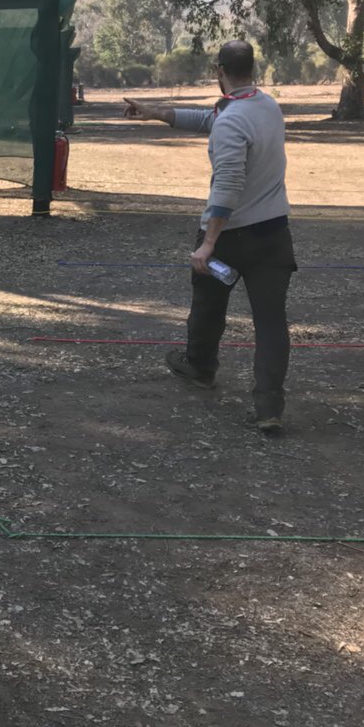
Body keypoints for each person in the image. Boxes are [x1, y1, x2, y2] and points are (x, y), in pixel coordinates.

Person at [122, 39, 296, 435]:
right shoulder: (266, 107)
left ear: (219, 71)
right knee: (271, 322)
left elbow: (228, 186)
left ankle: (200, 368)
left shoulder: (232, 120)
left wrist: (209, 243)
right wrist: (156, 113)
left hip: (230, 237)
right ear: (252, 69)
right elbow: (209, 119)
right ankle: (269, 407)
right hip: (274, 233)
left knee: (207, 305)